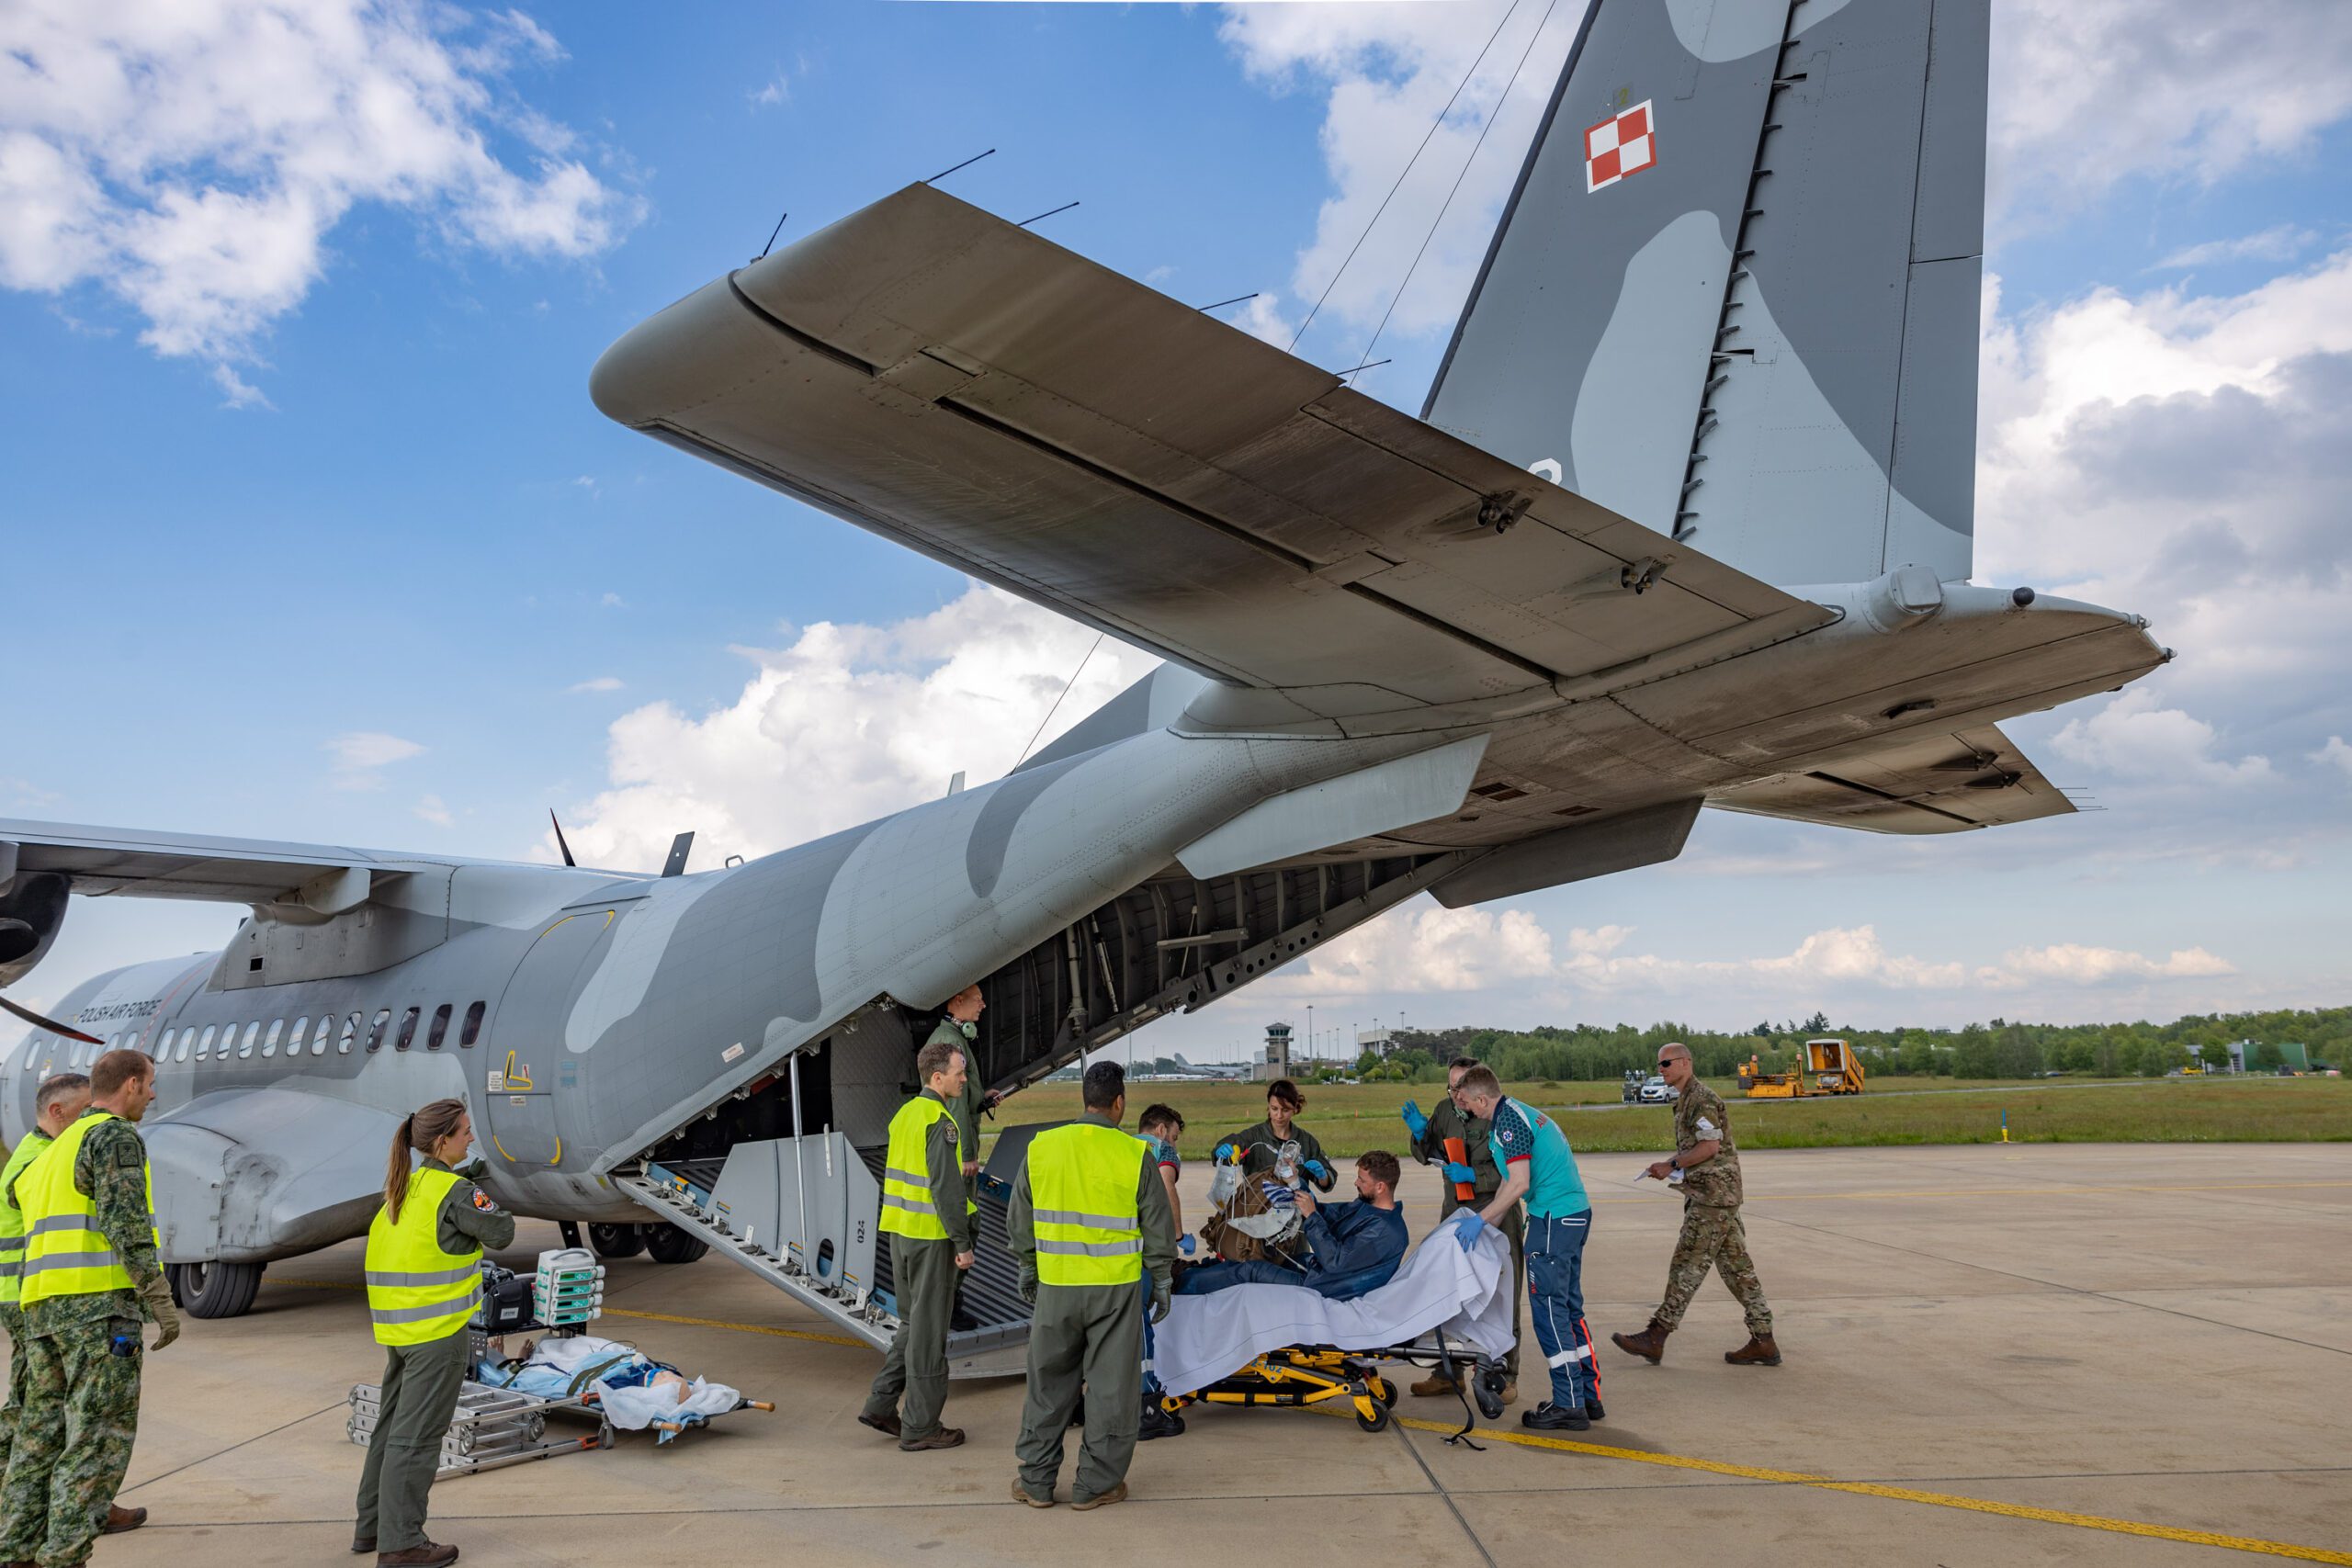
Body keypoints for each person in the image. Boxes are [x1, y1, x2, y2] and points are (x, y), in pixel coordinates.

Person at [0, 1049, 175, 1567]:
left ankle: (16, 1551)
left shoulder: (46, 1153)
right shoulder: (112, 1136)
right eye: (148, 1085)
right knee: (96, 1440)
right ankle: (64, 1557)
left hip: (40, 1313)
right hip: (96, 1311)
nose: (152, 1094)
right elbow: (125, 1223)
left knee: (40, 1438)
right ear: (128, 1085)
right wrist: (158, 1296)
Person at [1006, 1061, 1175, 1512]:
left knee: (1047, 1384)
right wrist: (1160, 1279)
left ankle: (1036, 1482)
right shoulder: (1135, 1153)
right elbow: (1158, 1226)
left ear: (1084, 1100)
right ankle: (1096, 1484)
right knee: (1109, 1389)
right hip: (1114, 1292)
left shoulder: (1042, 1148)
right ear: (1119, 1103)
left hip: (1056, 1287)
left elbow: (1019, 1218)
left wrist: (1028, 1265)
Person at [354, 1098, 514, 1568]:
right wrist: (477, 1187)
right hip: (439, 1333)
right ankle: (401, 1542)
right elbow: (502, 1232)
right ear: (443, 1140)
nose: (470, 1138)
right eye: (464, 1132)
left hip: (402, 1331)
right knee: (418, 1436)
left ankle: (372, 1527)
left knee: (389, 1429)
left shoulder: (405, 1186)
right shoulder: (454, 1191)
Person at [1612, 1043, 1780, 1369]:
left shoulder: (1701, 1098)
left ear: (1686, 1063)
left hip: (1713, 1198)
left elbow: (1710, 1147)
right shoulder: (1686, 1098)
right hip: (1714, 1195)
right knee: (1737, 1270)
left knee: (1687, 1264)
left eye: (1666, 1063)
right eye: (1658, 1064)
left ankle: (1656, 1336)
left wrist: (1670, 1164)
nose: (1661, 1069)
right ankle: (1764, 1340)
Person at [1450, 1066, 1600, 1432]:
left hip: (1553, 1219)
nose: (1465, 1108)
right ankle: (1586, 1395)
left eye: (1466, 1102)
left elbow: (1519, 1184)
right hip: (1570, 1215)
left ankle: (1568, 1404)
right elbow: (1507, 1182)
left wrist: (1480, 1220)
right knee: (1569, 1307)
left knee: (1550, 1312)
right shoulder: (1517, 1113)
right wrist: (1491, 1228)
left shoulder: (1508, 1124)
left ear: (1482, 1099)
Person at [860, 1036, 977, 1450]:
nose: (965, 1079)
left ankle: (880, 1404)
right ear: (938, 1076)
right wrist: (962, 1242)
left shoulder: (904, 1116)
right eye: (960, 1073)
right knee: (929, 1336)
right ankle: (922, 1426)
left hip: (900, 1234)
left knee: (912, 1325)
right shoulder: (941, 1122)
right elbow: (946, 1188)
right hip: (932, 1239)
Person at [0, 1073, 109, 1514]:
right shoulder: (38, 1160)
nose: (93, 1119)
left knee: (52, 1405)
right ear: (56, 1112)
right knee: (37, 1408)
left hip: (38, 1293)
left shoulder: (45, 1150)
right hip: (28, 1297)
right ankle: (26, 1506)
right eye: (85, 1110)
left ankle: (83, 1500)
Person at [1401, 1057, 1521, 1404]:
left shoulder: (1500, 1115)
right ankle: (1446, 1372)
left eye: (1460, 1088)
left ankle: (1504, 1374)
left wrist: (1475, 1177)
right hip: (1456, 1211)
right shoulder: (1445, 1110)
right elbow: (1427, 1155)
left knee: (1502, 1292)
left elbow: (1517, 1173)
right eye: (1451, 1087)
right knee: (1447, 1291)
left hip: (1497, 1209)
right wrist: (1421, 1133)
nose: (1455, 1095)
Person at [1175, 1151, 1408, 1300]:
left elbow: (1335, 1262)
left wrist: (1312, 1216)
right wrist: (1296, 1183)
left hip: (1327, 1287)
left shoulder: (1385, 1232)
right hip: (1320, 1273)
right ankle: (1193, 1271)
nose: (1356, 1183)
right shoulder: (1368, 1207)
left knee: (1251, 1270)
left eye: (1362, 1181)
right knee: (1257, 1257)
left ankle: (1180, 1287)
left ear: (1381, 1187)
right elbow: (1327, 1213)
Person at [1133, 1104, 1188, 1442]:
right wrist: (1177, 1237)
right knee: (1141, 1332)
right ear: (1161, 1129)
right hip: (1140, 1257)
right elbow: (1167, 1187)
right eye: (1175, 1135)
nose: (1176, 1144)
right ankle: (1148, 1410)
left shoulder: (1122, 1146)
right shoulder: (1159, 1149)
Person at [924, 985, 1002, 1181]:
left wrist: (979, 1096)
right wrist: (966, 1155)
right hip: (956, 1149)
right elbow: (955, 1103)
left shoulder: (951, 1037)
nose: (983, 1005)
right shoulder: (951, 1041)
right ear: (959, 1000)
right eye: (978, 999)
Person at [1215, 1079, 1334, 1191]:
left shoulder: (1307, 1142)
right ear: (1268, 1107)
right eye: (1274, 1109)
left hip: (1294, 1209)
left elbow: (1327, 1183)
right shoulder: (1252, 1137)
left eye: (1285, 1110)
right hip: (1258, 1208)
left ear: (1295, 1109)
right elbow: (1229, 1152)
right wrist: (1220, 1152)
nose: (1279, 1115)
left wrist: (1323, 1176)